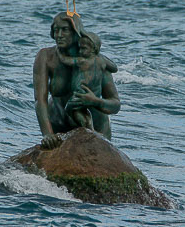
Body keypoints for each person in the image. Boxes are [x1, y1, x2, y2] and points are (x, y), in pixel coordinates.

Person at [33, 12, 120, 149]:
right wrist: (48, 134)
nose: (59, 35)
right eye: (56, 30)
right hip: (59, 127)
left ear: (77, 32)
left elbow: (115, 105)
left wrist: (95, 101)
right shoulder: (46, 57)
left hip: (96, 129)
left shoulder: (96, 61)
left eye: (65, 30)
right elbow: (39, 100)